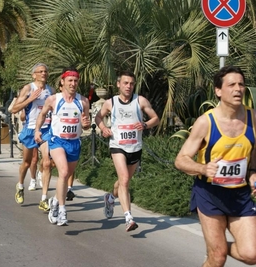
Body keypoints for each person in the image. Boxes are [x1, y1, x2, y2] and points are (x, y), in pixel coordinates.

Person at [175, 66, 256, 266]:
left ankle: (216, 247)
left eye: (241, 84)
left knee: (251, 254)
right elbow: (181, 159)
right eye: (232, 85)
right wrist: (203, 168)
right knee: (218, 258)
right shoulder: (206, 122)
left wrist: (253, 172)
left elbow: (254, 152)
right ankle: (215, 250)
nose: (238, 89)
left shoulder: (253, 117)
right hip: (210, 193)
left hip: (240, 195)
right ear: (218, 91)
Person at [95, 70, 159, 232]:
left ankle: (110, 197)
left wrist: (145, 125)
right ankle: (128, 218)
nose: (128, 86)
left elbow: (155, 119)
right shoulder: (111, 102)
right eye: (125, 83)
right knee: (124, 179)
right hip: (117, 145)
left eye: (131, 83)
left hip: (135, 147)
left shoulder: (140, 101)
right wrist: (103, 128)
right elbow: (98, 117)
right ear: (118, 84)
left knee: (124, 181)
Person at [35, 67, 91, 226]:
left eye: (76, 81)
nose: (73, 84)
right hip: (57, 141)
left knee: (65, 178)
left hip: (74, 143)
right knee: (64, 172)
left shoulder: (83, 101)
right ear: (63, 81)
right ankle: (62, 210)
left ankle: (54, 200)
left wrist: (86, 124)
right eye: (70, 81)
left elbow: (86, 124)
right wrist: (37, 131)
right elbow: (42, 114)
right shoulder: (53, 99)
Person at [11, 63, 56, 207]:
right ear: (34, 74)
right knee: (27, 162)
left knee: (47, 162)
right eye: (40, 71)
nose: (44, 73)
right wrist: (30, 99)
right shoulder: (28, 88)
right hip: (30, 129)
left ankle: (43, 199)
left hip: (45, 130)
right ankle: (20, 185)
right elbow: (14, 109)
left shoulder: (51, 90)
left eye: (45, 71)